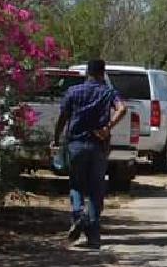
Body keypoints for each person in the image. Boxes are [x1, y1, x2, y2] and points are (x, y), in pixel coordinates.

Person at [51, 58, 127, 249]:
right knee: (96, 189)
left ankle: (78, 215)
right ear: (103, 73)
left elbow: (63, 117)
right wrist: (108, 127)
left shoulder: (73, 92)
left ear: (87, 72)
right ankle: (93, 235)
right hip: (98, 145)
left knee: (76, 184)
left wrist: (56, 138)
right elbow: (122, 108)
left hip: (76, 144)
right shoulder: (109, 92)